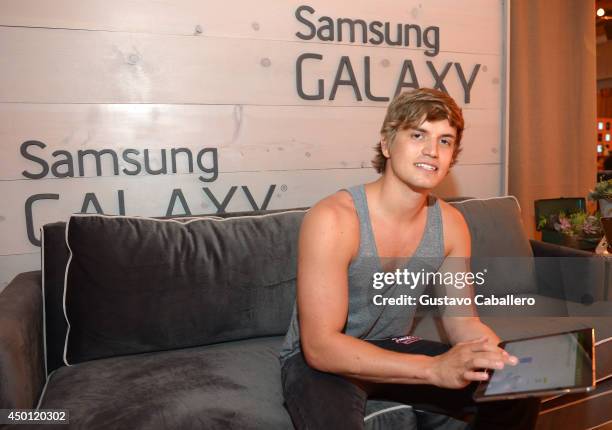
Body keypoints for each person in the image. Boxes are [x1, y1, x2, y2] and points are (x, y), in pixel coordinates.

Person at [279, 88, 540, 429]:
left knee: (517, 390)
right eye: (418, 135)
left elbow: (463, 321)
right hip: (322, 360)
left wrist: (501, 358)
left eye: (445, 141)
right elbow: (320, 346)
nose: (432, 151)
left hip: (394, 344)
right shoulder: (334, 219)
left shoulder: (451, 225)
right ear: (387, 144)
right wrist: (434, 369)